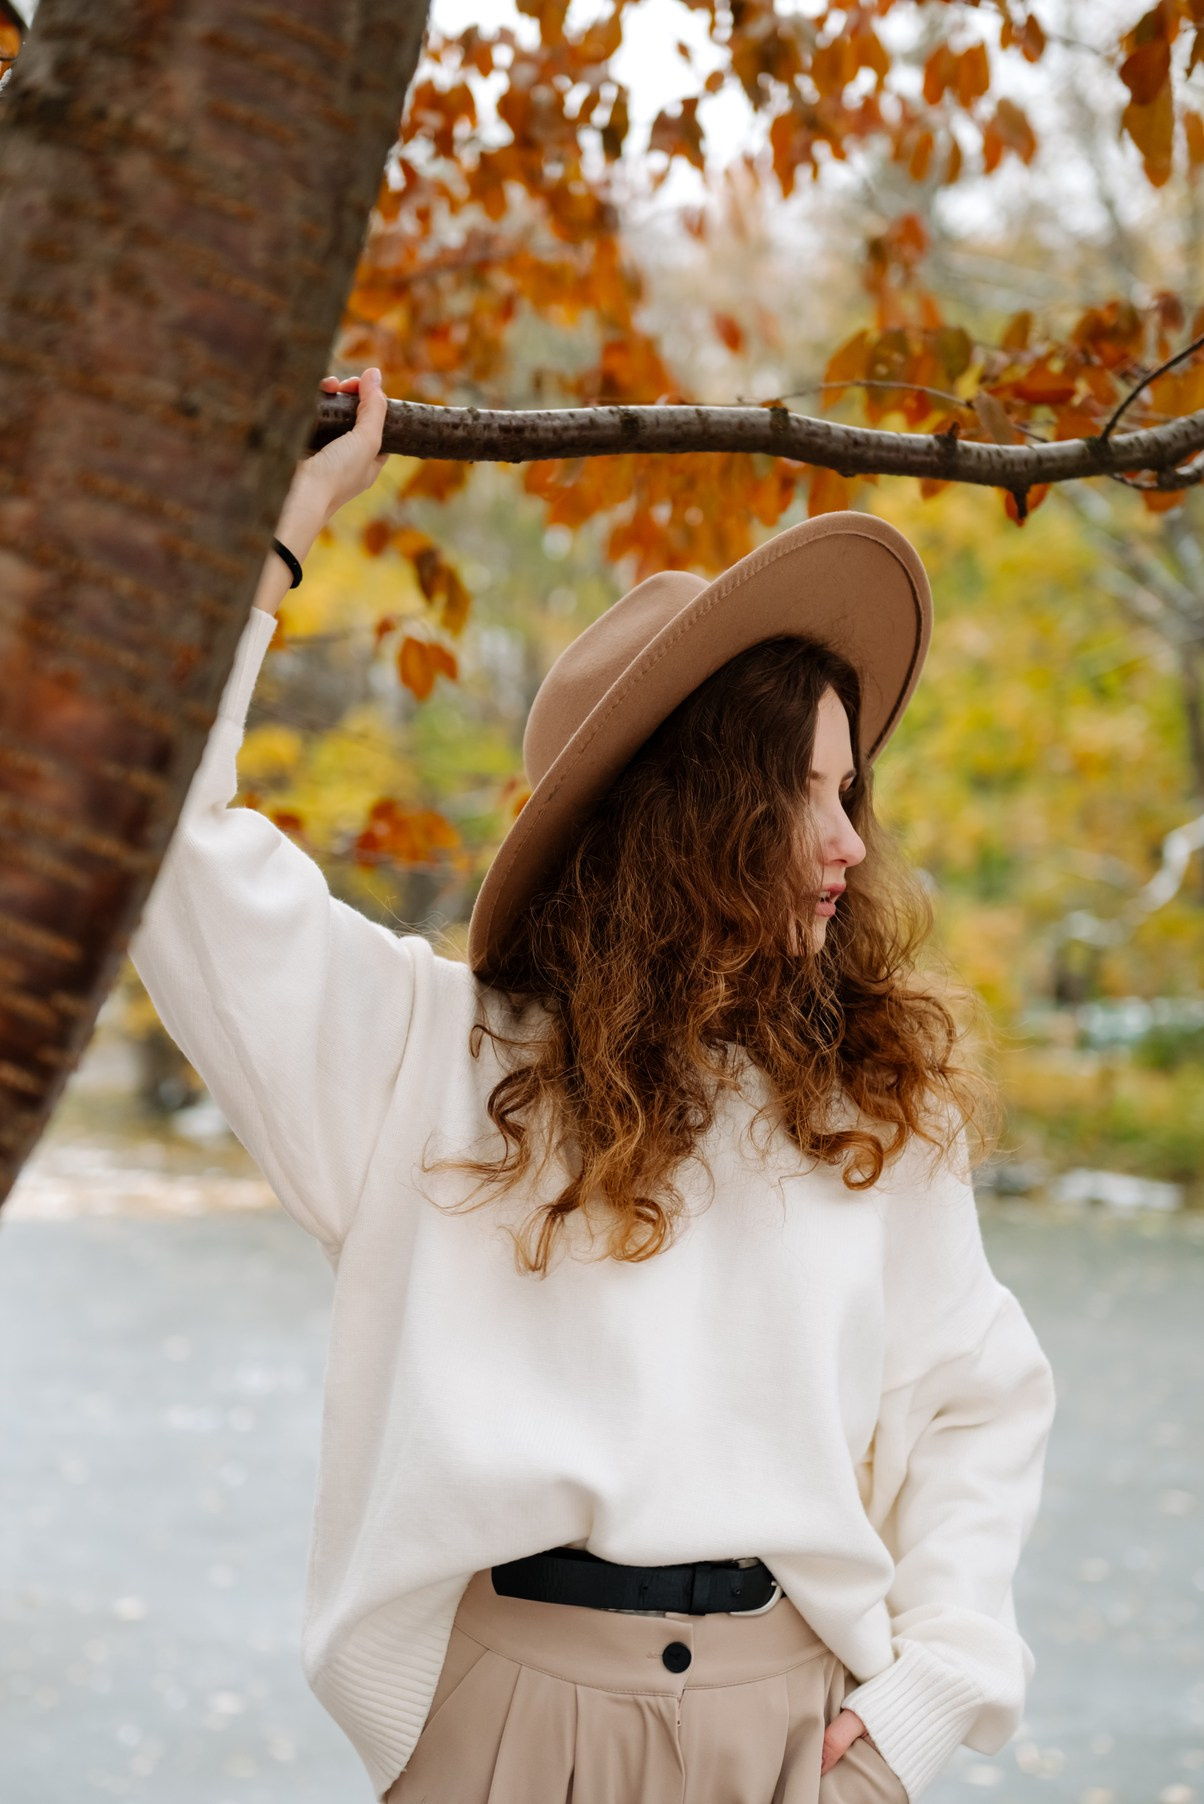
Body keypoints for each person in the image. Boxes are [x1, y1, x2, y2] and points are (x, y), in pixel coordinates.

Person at [129, 368, 1057, 1804]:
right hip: (501, 1728)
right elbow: (169, 842)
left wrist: (929, 1701)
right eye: (805, 794)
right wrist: (276, 531)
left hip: (797, 1734)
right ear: (691, 817)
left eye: (851, 790)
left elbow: (977, 1404)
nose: (850, 845)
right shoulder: (419, 1059)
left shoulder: (870, 1105)